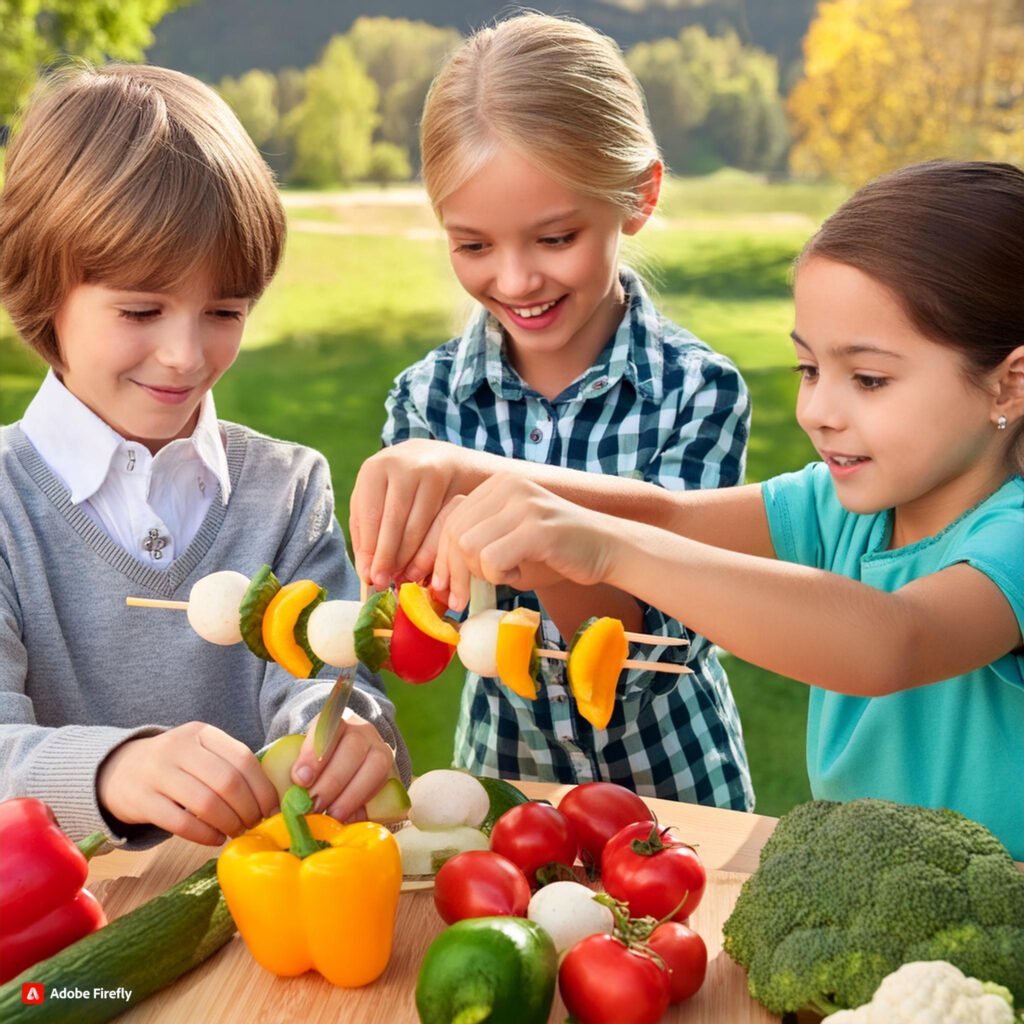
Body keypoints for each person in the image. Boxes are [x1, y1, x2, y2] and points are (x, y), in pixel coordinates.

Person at [427, 160, 1024, 859]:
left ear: (1009, 387)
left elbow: (895, 641)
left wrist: (609, 550)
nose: (819, 411)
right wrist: (459, 471)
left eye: (868, 379)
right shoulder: (840, 505)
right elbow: (671, 518)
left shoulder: (1010, 536)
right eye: (809, 369)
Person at [0, 63, 408, 850]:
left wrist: (354, 734)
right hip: (59, 947)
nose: (185, 355)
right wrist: (113, 769)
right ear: (43, 290)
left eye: (224, 310)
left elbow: (328, 686)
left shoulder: (287, 493)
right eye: (142, 309)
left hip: (255, 937)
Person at [352, 13, 754, 810]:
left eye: (555, 237)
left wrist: (528, 537)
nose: (516, 279)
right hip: (503, 793)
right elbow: (419, 626)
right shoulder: (425, 403)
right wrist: (395, 591)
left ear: (638, 197)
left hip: (676, 797)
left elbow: (648, 656)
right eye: (472, 246)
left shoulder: (698, 391)